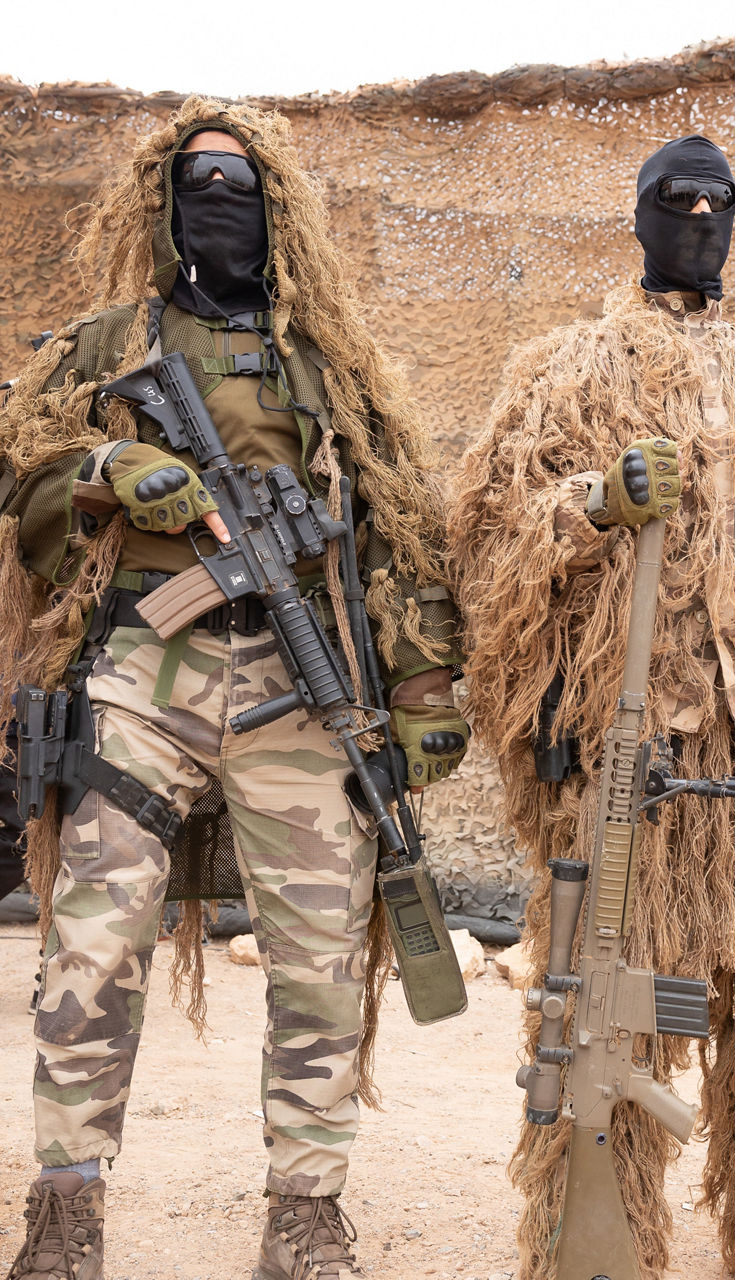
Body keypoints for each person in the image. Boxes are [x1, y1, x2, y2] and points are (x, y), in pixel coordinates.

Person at [0, 96, 467, 1280]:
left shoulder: (328, 370)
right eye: (199, 183)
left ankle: (303, 1213)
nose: (223, 202)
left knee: (317, 955)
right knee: (92, 941)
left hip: (301, 682)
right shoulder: (108, 345)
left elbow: (401, 533)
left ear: (279, 213)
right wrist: (112, 465)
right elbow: (20, 458)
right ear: (164, 205)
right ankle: (65, 1211)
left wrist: (419, 689)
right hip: (140, 672)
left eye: (243, 185)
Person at [450, 135, 735, 1280]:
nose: (695, 216)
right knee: (603, 1025)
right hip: (633, 779)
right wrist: (592, 503)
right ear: (638, 218)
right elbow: (485, 544)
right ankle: (596, 1247)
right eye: (672, 202)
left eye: (715, 202)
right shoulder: (567, 373)